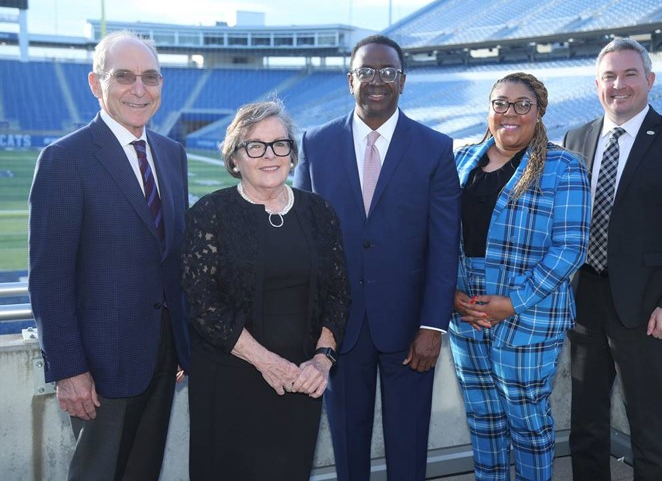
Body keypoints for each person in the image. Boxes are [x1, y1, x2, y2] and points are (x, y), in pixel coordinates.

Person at [294, 34, 461, 481]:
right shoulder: (316, 143)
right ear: (350, 80)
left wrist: (433, 325)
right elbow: (304, 241)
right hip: (337, 329)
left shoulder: (434, 148)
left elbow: (445, 245)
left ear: (403, 82)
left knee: (408, 446)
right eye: (366, 71)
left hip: (410, 329)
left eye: (388, 71)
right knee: (348, 446)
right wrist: (312, 323)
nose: (377, 80)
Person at [28, 30, 190, 480]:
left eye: (150, 77)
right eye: (124, 77)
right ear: (96, 83)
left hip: (163, 361)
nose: (139, 89)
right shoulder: (65, 159)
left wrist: (178, 341)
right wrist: (68, 370)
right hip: (98, 369)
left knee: (143, 471)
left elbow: (170, 257)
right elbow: (49, 278)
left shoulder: (171, 153)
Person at [564, 38, 662, 480]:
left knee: (649, 427)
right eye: (609, 76)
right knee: (586, 425)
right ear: (597, 85)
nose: (619, 85)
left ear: (649, 80)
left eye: (630, 74)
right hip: (584, 301)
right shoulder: (577, 137)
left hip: (649, 308)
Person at [182, 99, 349, 480]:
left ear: (292, 155)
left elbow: (339, 292)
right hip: (229, 382)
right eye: (255, 145)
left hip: (300, 379)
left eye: (280, 144)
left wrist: (321, 361)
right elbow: (202, 304)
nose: (269, 155)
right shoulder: (210, 213)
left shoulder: (319, 212)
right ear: (235, 158)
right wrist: (266, 362)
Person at [450, 72, 591, 480]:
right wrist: (451, 295)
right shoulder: (463, 160)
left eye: (522, 105)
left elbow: (570, 249)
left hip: (528, 315)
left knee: (527, 421)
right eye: (500, 104)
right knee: (483, 418)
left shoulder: (564, 167)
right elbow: (440, 235)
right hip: (467, 310)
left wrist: (512, 303)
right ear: (489, 110)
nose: (510, 113)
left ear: (539, 112)